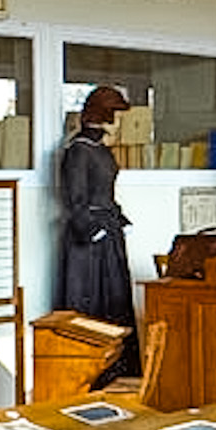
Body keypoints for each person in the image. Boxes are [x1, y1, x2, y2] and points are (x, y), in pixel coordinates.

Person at [57, 85, 140, 385]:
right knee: (90, 304)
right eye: (116, 113)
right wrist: (92, 230)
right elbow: (75, 199)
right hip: (88, 243)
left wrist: (118, 220)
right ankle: (91, 378)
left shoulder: (100, 149)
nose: (119, 121)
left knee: (115, 302)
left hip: (108, 233)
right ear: (106, 115)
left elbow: (107, 193)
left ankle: (119, 373)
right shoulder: (78, 150)